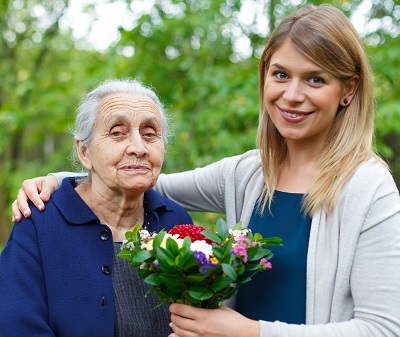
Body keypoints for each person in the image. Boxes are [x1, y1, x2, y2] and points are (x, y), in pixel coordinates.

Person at [9, 4, 400, 337]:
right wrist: (61, 181)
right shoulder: (248, 174)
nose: (292, 94)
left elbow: (383, 329)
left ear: (348, 89)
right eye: (281, 74)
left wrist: (250, 331)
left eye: (315, 79)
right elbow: (139, 176)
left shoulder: (368, 187)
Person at [0, 79, 193, 337]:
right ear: (84, 152)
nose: (138, 148)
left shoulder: (176, 222)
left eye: (149, 134)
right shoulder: (40, 224)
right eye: (117, 133)